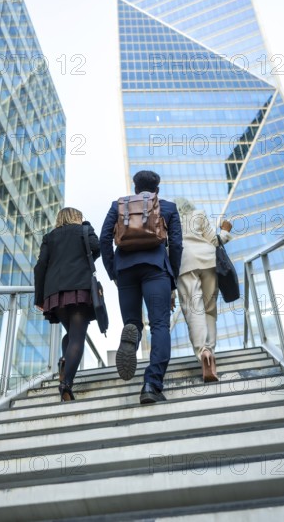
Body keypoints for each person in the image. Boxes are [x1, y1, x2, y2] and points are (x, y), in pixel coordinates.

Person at [100, 170, 183, 404]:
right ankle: (151, 384)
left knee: (133, 323)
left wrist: (113, 270)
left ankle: (131, 341)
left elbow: (104, 238)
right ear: (157, 189)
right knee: (159, 325)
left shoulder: (118, 206)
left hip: (125, 269)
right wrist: (172, 276)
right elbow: (176, 244)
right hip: (156, 270)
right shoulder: (166, 207)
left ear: (135, 188)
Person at [34, 207, 100, 402]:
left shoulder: (50, 237)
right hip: (79, 289)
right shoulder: (83, 231)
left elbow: (40, 267)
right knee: (78, 337)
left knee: (71, 335)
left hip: (55, 293)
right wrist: (87, 226)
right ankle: (66, 385)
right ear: (77, 218)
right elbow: (97, 248)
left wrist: (39, 298)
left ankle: (64, 363)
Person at [175, 198, 232, 382]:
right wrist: (225, 231)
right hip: (208, 261)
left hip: (185, 264)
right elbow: (215, 241)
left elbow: (169, 248)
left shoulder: (169, 220)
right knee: (209, 309)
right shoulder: (199, 214)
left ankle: (203, 352)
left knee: (194, 308)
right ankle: (211, 351)